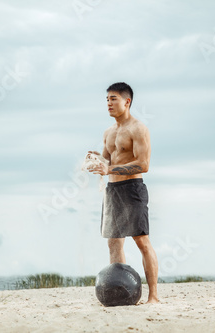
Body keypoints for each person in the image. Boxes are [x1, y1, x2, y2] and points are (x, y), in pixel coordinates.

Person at [87, 82, 159, 304]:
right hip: (112, 190)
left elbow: (143, 164)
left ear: (127, 102)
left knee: (142, 241)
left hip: (132, 189)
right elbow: (108, 161)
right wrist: (97, 159)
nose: (109, 103)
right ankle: (119, 293)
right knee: (114, 242)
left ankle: (153, 295)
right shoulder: (108, 132)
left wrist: (109, 168)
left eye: (113, 99)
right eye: (107, 99)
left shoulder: (138, 129)